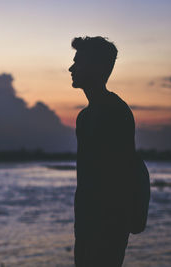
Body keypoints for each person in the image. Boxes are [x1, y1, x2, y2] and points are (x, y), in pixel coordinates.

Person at [69, 36, 137, 266]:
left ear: (96, 68)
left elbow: (120, 174)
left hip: (107, 227)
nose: (71, 68)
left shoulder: (114, 112)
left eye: (77, 62)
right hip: (87, 225)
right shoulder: (86, 116)